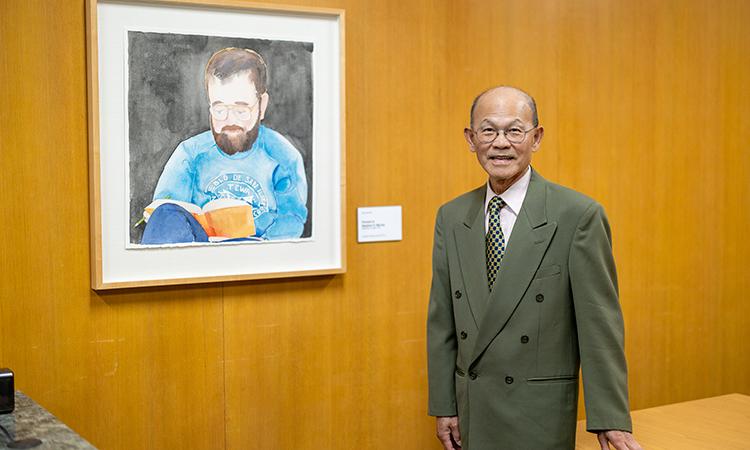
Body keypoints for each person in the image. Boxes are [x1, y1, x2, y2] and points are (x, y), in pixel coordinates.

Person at [426, 86, 642, 450]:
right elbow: (442, 320)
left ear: (536, 137)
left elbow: (599, 325)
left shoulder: (577, 216)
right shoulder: (451, 217)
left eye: (514, 130)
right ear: (470, 138)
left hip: (538, 412)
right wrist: (444, 404)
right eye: (488, 130)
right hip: (473, 408)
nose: (500, 143)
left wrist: (610, 419)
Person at [141, 47, 308, 244]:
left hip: (258, 253)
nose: (229, 120)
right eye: (219, 109)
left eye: (241, 109)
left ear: (262, 105)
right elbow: (163, 214)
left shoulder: (283, 155)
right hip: (199, 253)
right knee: (166, 214)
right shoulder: (190, 153)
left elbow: (292, 220)